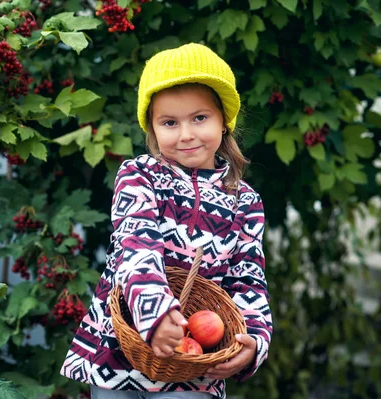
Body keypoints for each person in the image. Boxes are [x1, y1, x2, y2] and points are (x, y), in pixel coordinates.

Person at [60, 42, 273, 399]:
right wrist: (155, 312)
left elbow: (248, 279)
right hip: (118, 350)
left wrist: (252, 340)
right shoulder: (139, 175)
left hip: (194, 366)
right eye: (170, 122)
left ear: (224, 121)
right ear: (153, 129)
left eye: (199, 118)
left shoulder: (245, 201)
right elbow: (136, 244)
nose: (186, 134)